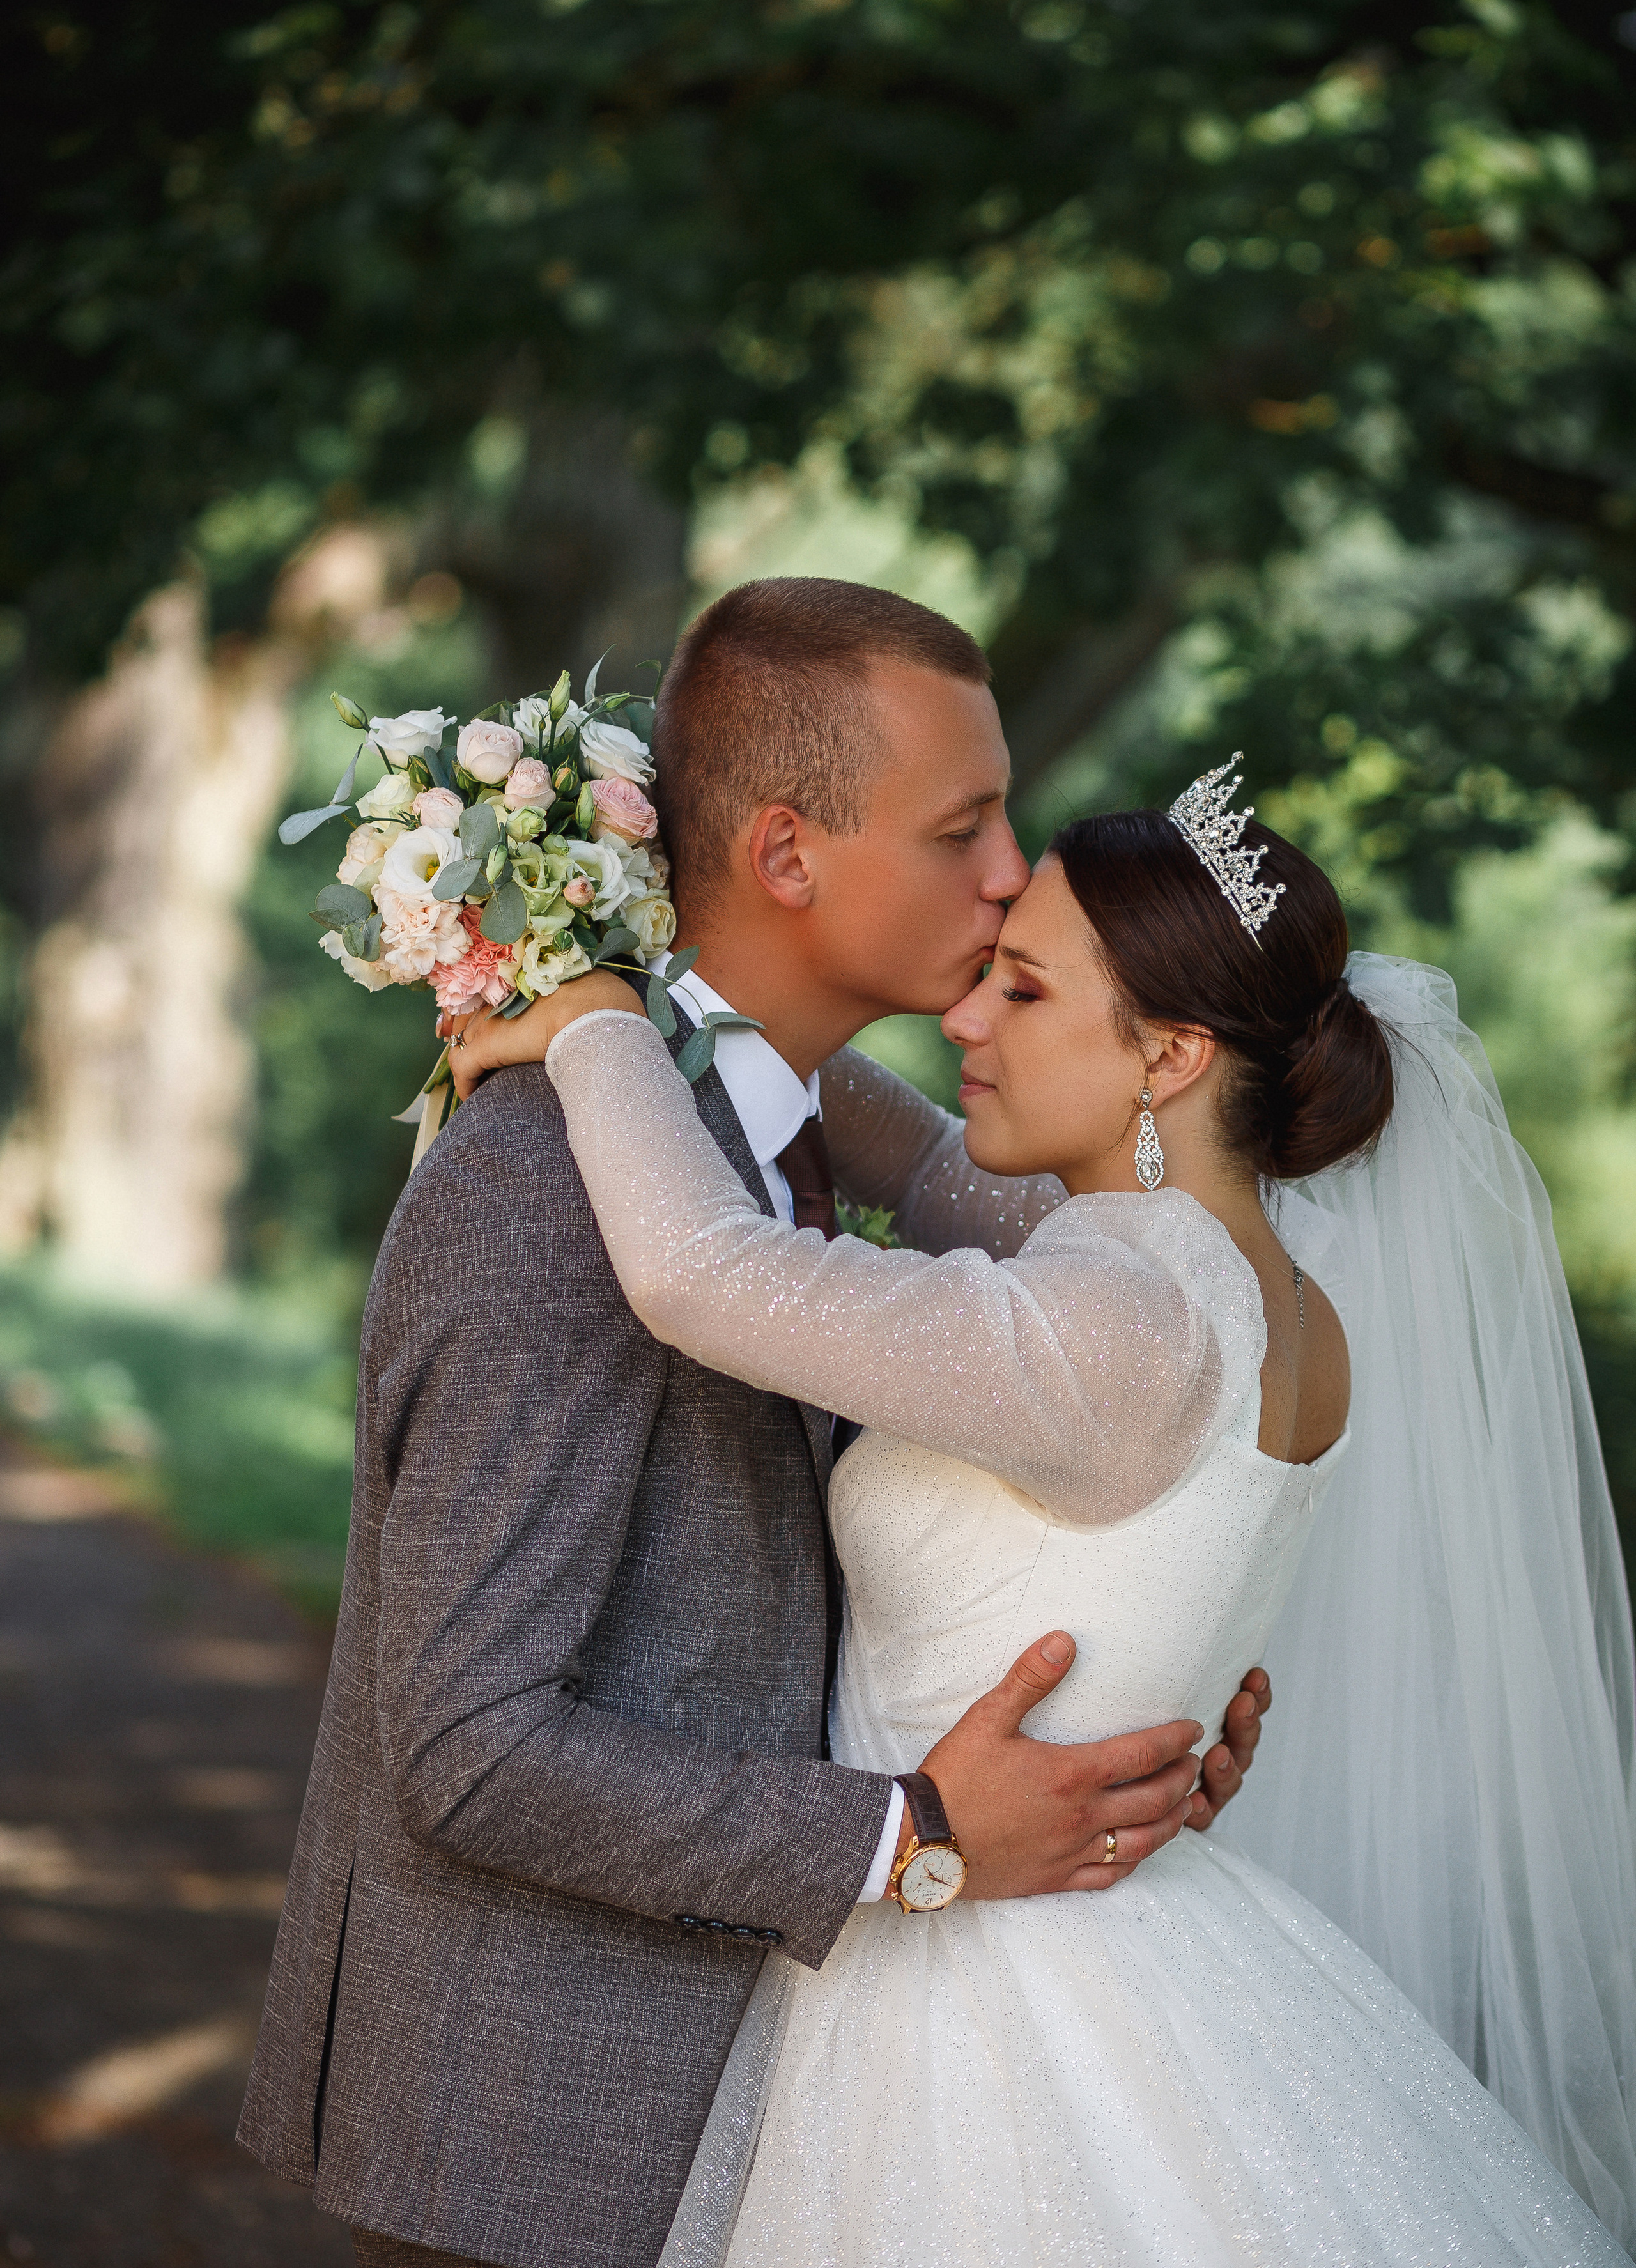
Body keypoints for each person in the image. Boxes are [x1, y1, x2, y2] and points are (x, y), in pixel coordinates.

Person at [452, 766, 1636, 2261]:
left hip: (980, 2008)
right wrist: (717, 1003)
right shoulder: (1269, 1292)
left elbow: (702, 1277)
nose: (962, 1018)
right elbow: (928, 1166)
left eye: (1019, 990)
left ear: (1170, 1053)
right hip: (1153, 1954)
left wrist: (601, 1021)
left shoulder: (1123, 1325)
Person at [236, 582, 1274, 2268]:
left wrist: (1150, 1693)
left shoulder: (757, 1143)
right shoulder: (546, 1193)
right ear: (791, 857)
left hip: (784, 2114)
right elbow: (468, 1750)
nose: (1014, 871)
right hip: (540, 2154)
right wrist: (915, 1839)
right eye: (966, 827)